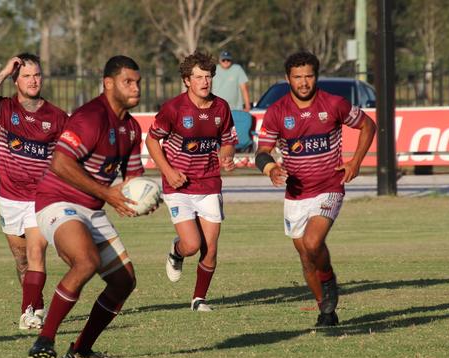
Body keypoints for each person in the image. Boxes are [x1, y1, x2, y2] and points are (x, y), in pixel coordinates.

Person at [28, 55, 149, 358]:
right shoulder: (91, 117)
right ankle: (44, 339)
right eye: (128, 82)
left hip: (92, 208)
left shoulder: (132, 129)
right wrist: (107, 194)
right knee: (86, 262)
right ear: (108, 84)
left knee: (124, 282)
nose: (136, 88)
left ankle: (81, 348)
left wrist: (142, 195)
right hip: (57, 201)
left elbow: (133, 177)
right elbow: (59, 162)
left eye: (138, 82)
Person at [254, 51, 376, 327]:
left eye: (309, 76)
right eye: (297, 77)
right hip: (296, 194)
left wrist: (355, 162)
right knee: (307, 259)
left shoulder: (334, 103)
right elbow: (262, 152)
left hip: (329, 187)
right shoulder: (277, 112)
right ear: (288, 79)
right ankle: (326, 312)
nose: (304, 82)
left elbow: (368, 124)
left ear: (316, 76)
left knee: (312, 242)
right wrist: (271, 168)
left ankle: (329, 278)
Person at [0, 53, 68, 330]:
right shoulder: (3, 109)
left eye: (37, 74)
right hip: (10, 199)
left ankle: (28, 313)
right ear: (16, 80)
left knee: (37, 253)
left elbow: (71, 154)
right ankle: (36, 304)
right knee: (22, 261)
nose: (33, 80)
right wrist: (2, 72)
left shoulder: (57, 117)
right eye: (26, 75)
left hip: (42, 198)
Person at [145, 51, 237, 312]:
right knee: (192, 245)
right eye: (198, 77)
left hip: (209, 183)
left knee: (210, 249)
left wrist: (226, 157)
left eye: (208, 76)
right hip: (179, 186)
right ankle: (176, 252)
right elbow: (152, 141)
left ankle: (199, 299)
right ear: (187, 80)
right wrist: (169, 172)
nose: (205, 82)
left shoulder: (221, 108)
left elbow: (228, 140)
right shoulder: (173, 109)